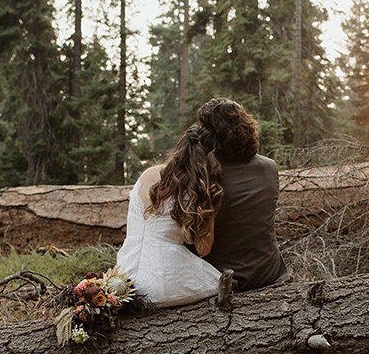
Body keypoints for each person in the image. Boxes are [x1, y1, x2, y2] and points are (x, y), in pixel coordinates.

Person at [114, 121, 224, 307]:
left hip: (124, 277)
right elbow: (204, 248)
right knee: (219, 283)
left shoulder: (148, 174)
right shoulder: (198, 189)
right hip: (164, 283)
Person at [198, 98, 289, 292]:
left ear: (209, 134)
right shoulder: (270, 167)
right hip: (270, 273)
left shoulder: (207, 175)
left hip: (228, 281)